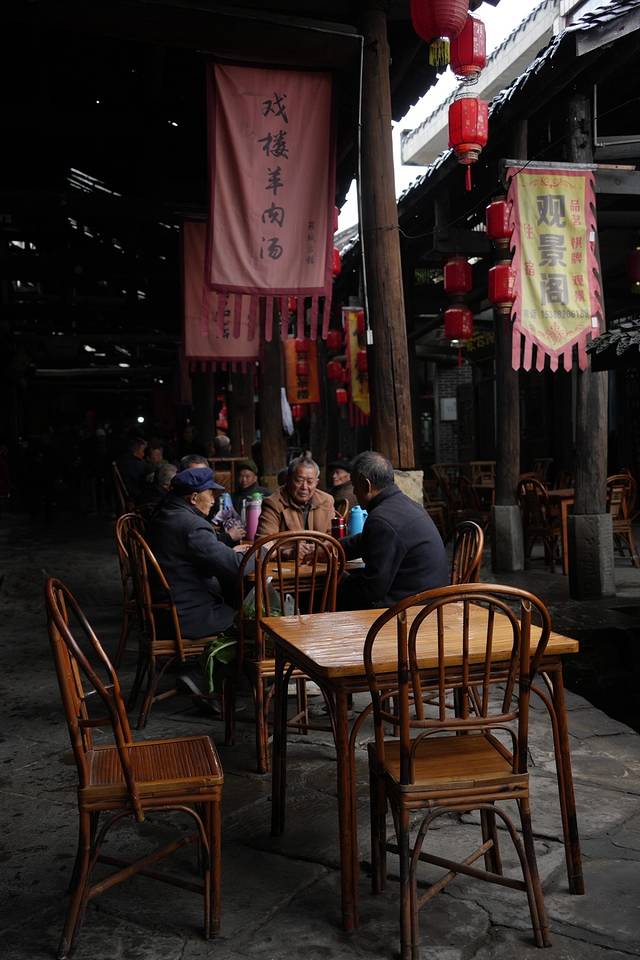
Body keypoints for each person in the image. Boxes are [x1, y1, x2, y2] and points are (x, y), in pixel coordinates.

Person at [337, 450, 448, 610]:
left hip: (412, 610)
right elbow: (364, 541)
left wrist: (340, 579)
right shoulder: (406, 504)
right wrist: (332, 548)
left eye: (354, 486)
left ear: (366, 485)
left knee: (328, 595)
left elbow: (372, 590)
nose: (354, 492)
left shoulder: (381, 518)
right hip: (430, 602)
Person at [147, 466, 247, 641]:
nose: (213, 501)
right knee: (254, 621)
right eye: (210, 494)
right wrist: (264, 550)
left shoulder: (163, 514)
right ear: (194, 498)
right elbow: (237, 566)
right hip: (189, 617)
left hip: (164, 613)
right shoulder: (192, 525)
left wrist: (226, 551)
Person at [256, 455, 334, 540]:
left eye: (310, 482)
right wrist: (291, 546)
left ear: (316, 483)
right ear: (288, 479)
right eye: (299, 481)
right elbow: (264, 541)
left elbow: (333, 536)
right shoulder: (273, 503)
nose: (304, 487)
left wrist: (319, 546)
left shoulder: (326, 500)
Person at [116, 436, 154, 503]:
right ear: (136, 451)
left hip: (127, 493)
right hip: (136, 496)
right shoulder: (137, 464)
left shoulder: (121, 459)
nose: (144, 454)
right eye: (143, 451)